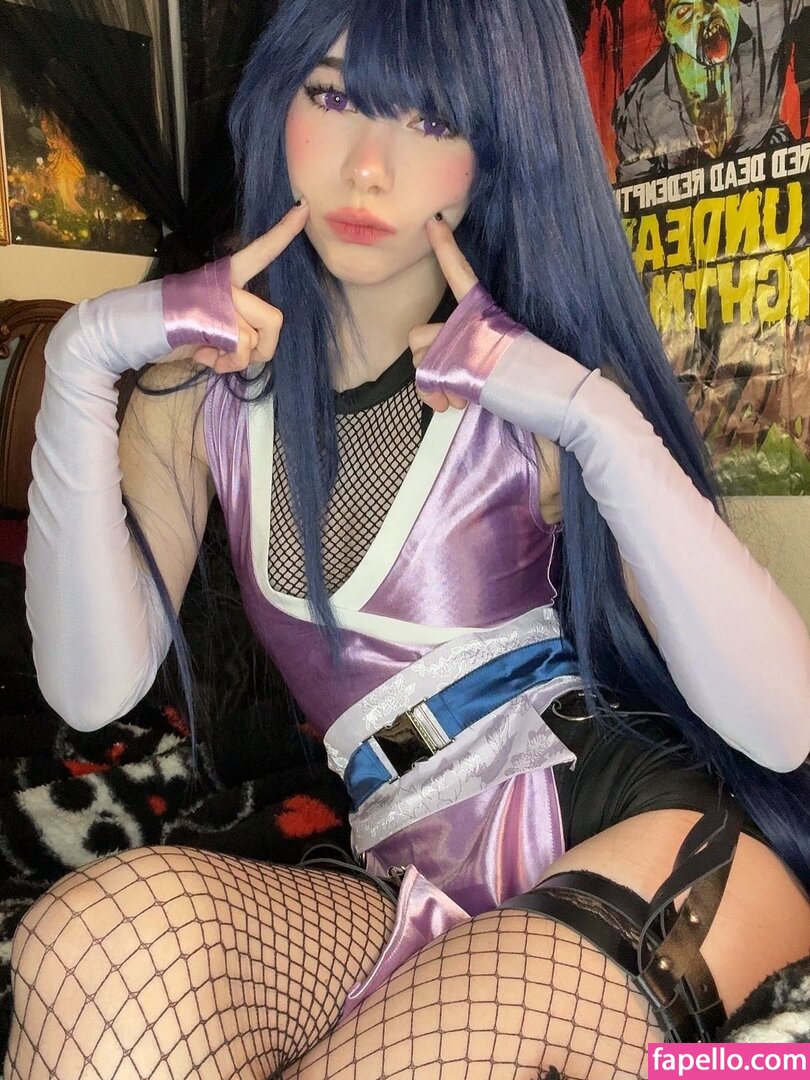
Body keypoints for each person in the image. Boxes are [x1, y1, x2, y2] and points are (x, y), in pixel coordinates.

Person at [8, 0, 810, 1077]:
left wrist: (592, 416)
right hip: (418, 879)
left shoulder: (539, 393)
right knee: (90, 944)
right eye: (334, 95)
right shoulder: (198, 397)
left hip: (650, 847)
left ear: (499, 143)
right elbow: (90, 687)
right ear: (277, 101)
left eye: (431, 118)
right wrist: (80, 355)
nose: (368, 168)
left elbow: (784, 723)